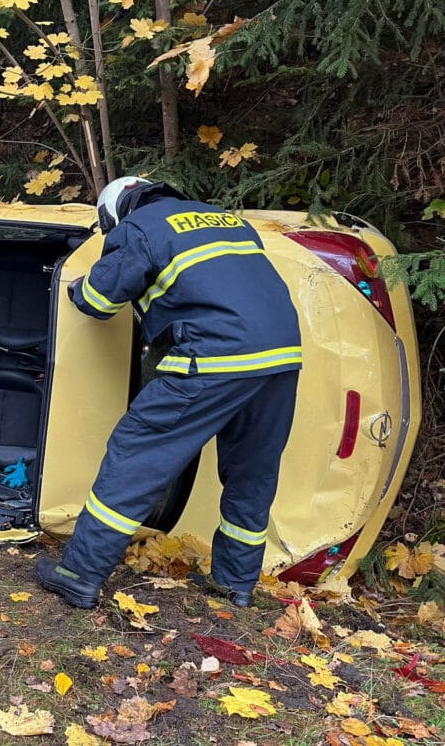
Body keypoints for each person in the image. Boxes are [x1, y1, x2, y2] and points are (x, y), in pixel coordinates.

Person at [35, 176, 302, 610]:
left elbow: (98, 302)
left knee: (135, 456)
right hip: (281, 358)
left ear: (115, 213)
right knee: (252, 474)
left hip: (215, 355)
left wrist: (77, 286)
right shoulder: (227, 221)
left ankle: (79, 574)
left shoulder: (141, 228)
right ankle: (235, 585)